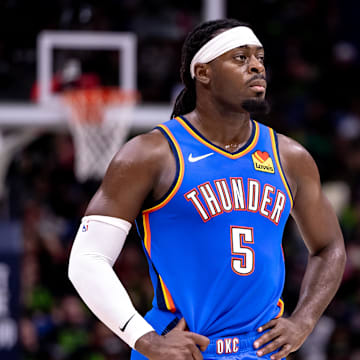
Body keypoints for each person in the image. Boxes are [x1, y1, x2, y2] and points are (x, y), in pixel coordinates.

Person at [68, 19, 346, 360]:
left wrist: (304, 320)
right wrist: (146, 340)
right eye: (241, 58)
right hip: (181, 349)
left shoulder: (289, 157)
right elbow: (87, 259)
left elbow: (330, 246)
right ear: (203, 73)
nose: (257, 65)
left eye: (260, 57)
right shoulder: (152, 153)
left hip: (260, 351)